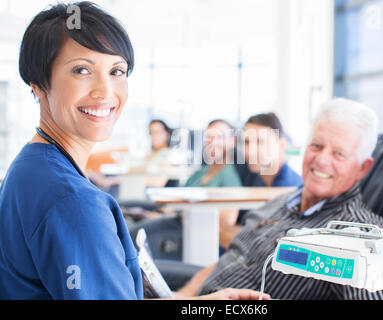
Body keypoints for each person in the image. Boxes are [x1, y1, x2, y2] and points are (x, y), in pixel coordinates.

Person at [0, 1, 267, 301]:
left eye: (117, 71)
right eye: (82, 69)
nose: (105, 91)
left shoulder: (29, 166)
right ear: (38, 83)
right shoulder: (73, 203)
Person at [176, 98, 383, 300]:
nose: (322, 160)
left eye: (339, 154)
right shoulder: (277, 203)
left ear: (363, 168)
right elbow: (230, 260)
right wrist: (179, 297)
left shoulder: (362, 237)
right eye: (316, 146)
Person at [219, 112, 303, 249]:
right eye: (247, 142)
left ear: (281, 145)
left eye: (260, 142)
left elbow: (264, 245)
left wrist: (223, 231)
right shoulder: (257, 179)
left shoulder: (292, 189)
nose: (250, 151)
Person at [184, 119, 242, 187]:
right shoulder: (200, 173)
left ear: (233, 141)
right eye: (208, 136)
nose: (213, 143)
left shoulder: (229, 177)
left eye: (220, 137)